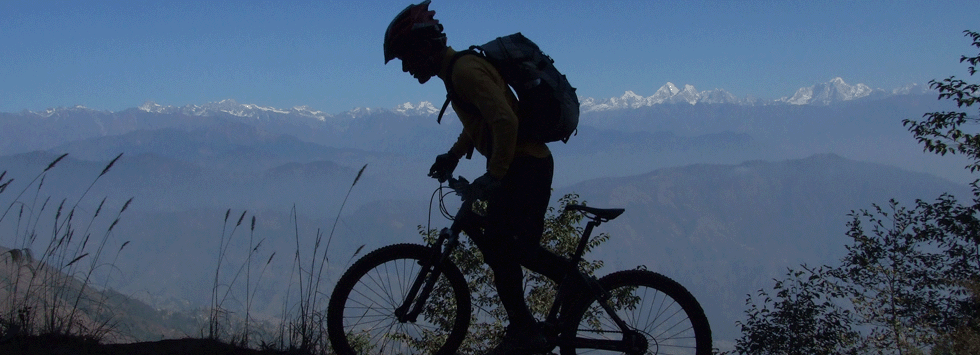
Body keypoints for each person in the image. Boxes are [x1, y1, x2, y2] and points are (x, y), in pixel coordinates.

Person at [384, 1, 577, 354]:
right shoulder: (457, 72)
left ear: (423, 49)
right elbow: (482, 122)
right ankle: (526, 326)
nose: (406, 69)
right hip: (520, 166)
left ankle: (553, 306)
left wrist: (494, 175)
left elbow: (505, 121)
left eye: (406, 59)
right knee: (504, 250)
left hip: (526, 166)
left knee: (512, 249)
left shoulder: (464, 72)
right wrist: (453, 155)